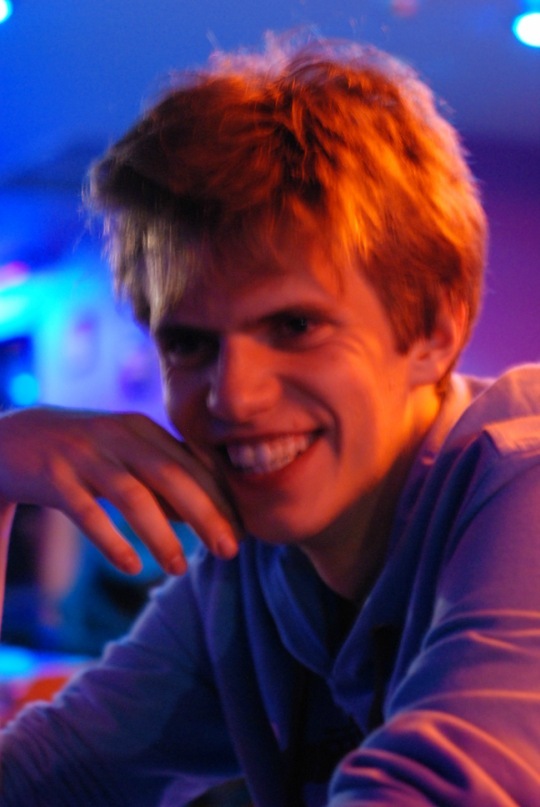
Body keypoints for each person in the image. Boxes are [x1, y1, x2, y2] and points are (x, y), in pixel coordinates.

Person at [0, 30, 539, 806]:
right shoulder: (248, 573)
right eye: (190, 343)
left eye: (294, 326)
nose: (233, 398)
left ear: (434, 329)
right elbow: (35, 779)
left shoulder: (523, 479)